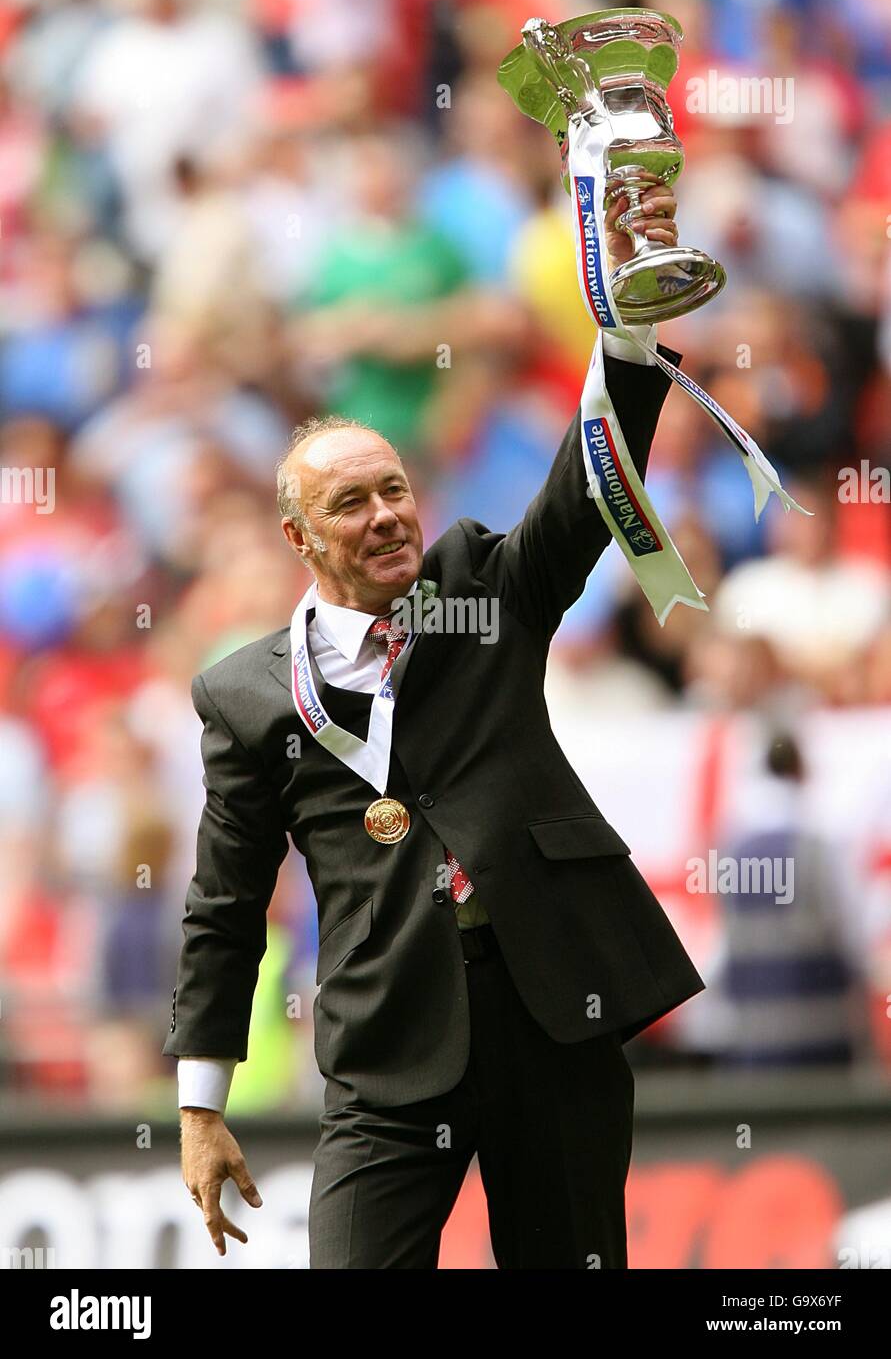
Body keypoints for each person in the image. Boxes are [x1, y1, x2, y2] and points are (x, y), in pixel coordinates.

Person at [164, 181, 706, 1269]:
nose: (386, 517)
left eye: (394, 489)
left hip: (556, 1008)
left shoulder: (483, 589)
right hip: (390, 1045)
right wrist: (200, 1103)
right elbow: (223, 904)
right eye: (352, 503)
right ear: (297, 536)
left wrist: (630, 328)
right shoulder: (247, 694)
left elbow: (584, 496)